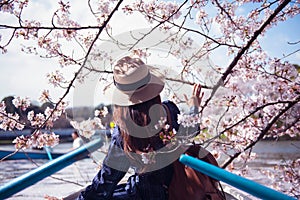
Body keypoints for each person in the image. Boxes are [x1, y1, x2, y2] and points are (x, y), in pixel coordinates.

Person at [77, 56, 208, 200]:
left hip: (144, 195)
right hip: (179, 190)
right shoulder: (170, 110)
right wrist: (194, 107)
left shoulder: (125, 131)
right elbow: (188, 132)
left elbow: (110, 176)